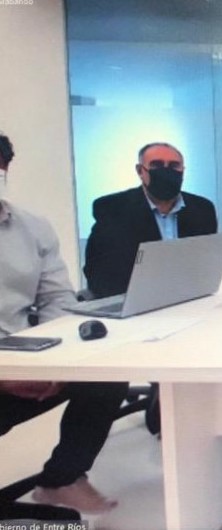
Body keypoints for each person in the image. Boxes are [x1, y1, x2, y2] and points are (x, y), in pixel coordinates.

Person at [0, 130, 127, 516]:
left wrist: (56, 360)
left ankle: (61, 480)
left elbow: (58, 299)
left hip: (26, 361)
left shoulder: (32, 228)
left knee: (106, 377)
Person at [84, 142, 218, 298]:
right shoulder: (113, 208)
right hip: (136, 301)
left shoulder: (202, 208)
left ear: (183, 171)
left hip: (192, 299)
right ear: (140, 171)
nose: (166, 171)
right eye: (156, 165)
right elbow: (98, 272)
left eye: (174, 166)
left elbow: (212, 263)